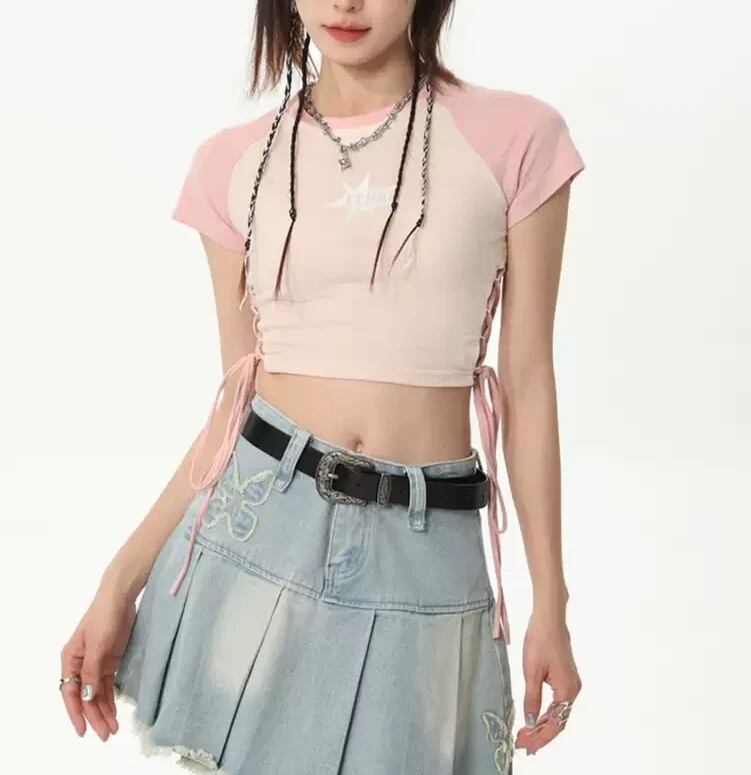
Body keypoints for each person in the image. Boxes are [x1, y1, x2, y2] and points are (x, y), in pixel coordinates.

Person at [59, 1, 585, 772]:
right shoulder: (231, 163)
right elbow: (235, 401)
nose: (345, 4)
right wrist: (119, 579)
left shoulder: (515, 138)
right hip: (258, 529)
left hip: (428, 539)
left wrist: (550, 603)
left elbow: (528, 382)